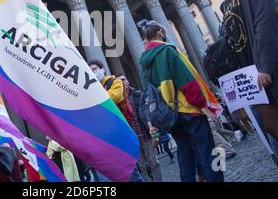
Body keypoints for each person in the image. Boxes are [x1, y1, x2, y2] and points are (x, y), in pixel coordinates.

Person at [203, 0, 278, 158]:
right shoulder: (225, 4)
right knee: (273, 125)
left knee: (276, 124)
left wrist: (265, 66)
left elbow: (265, 22)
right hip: (254, 75)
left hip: (273, 67)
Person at [138, 20, 224, 182]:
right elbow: (186, 80)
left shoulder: (144, 62)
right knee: (208, 153)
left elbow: (146, 92)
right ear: (160, 33)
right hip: (189, 109)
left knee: (185, 157)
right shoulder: (167, 51)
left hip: (170, 114)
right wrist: (202, 105)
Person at [87, 60, 144, 182]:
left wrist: (94, 100)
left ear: (102, 69)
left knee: (131, 172)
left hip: (119, 131)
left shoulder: (115, 81)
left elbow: (115, 97)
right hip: (104, 136)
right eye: (90, 70)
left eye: (94, 69)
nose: (92, 72)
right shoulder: (91, 88)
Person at [119, 74, 163, 182]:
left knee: (154, 163)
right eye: (119, 81)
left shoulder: (138, 94)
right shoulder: (119, 101)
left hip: (145, 135)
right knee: (141, 167)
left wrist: (154, 135)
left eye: (124, 80)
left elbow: (147, 114)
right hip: (133, 140)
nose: (122, 83)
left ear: (128, 81)